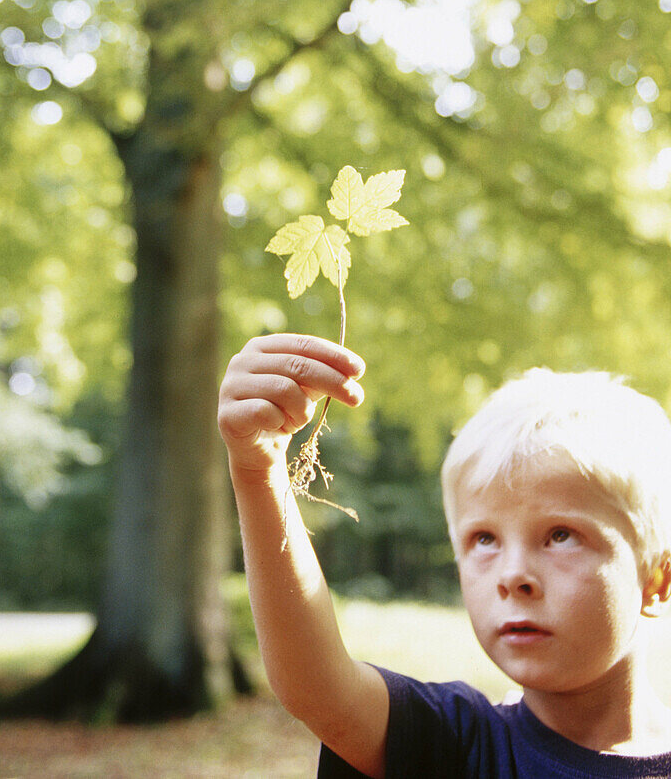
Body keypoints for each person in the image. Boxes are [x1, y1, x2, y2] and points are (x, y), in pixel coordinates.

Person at [217, 332, 671, 777]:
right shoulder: (457, 744)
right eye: (484, 540)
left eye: (559, 535)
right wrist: (259, 470)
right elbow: (317, 685)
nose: (512, 576)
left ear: (657, 578)